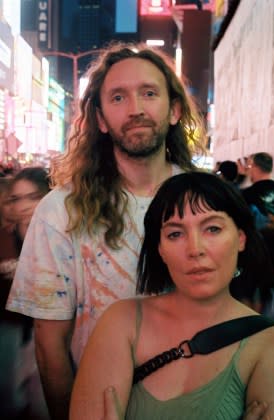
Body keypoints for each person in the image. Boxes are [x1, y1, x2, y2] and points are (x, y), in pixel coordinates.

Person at [5, 42, 206, 419]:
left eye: (149, 93)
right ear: (99, 119)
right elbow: (50, 349)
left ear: (175, 109)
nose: (135, 109)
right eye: (118, 97)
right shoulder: (60, 211)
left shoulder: (210, 201)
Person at [69, 172, 274, 419]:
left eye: (212, 228)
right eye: (175, 234)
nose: (195, 249)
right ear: (160, 249)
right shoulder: (121, 321)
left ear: (241, 238)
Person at [0, 167, 51, 419]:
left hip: (53, 333)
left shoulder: (61, 236)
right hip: (17, 331)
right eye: (16, 198)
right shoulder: (10, 237)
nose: (24, 206)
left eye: (33, 197)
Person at [241, 152, 274, 233]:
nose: (248, 170)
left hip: (256, 243)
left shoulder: (247, 193)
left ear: (255, 167)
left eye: (249, 166)